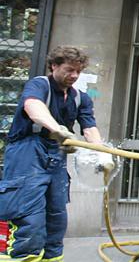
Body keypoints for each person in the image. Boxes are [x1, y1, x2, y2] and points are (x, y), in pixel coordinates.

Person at [0, 46, 103, 261]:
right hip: (28, 153)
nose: (74, 75)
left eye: (78, 71)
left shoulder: (80, 98)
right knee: (29, 221)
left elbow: (89, 128)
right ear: (54, 66)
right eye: (69, 70)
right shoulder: (39, 85)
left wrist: (102, 153)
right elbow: (33, 106)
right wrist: (57, 129)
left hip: (56, 158)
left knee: (56, 221)